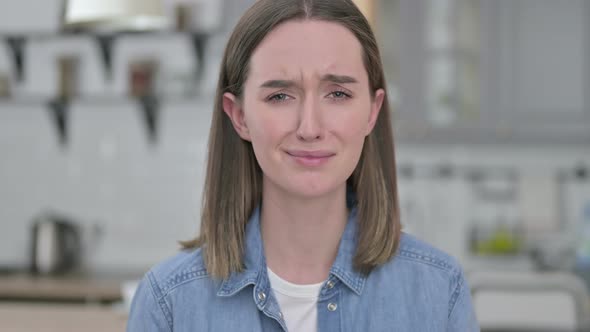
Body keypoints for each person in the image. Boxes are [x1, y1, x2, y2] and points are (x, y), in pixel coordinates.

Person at [127, 0, 479, 331]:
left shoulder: (439, 291)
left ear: (372, 111)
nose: (309, 128)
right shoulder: (168, 301)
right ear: (239, 116)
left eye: (338, 93)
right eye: (280, 96)